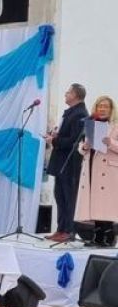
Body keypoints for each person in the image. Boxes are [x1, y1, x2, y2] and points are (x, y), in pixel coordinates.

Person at [45, 84, 88, 241]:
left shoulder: (80, 114)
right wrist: (55, 135)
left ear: (76, 95)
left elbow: (73, 141)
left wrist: (55, 140)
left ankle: (69, 231)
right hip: (61, 163)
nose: (65, 94)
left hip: (70, 164)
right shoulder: (71, 112)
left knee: (69, 198)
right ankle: (61, 228)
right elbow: (67, 135)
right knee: (60, 197)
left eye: (68, 92)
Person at [75, 95, 118, 246]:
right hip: (92, 168)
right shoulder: (92, 125)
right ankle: (97, 235)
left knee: (105, 205)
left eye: (106, 106)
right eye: (100, 106)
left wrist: (110, 142)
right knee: (95, 204)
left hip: (109, 171)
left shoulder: (116, 125)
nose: (102, 109)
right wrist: (84, 147)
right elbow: (83, 147)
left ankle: (108, 236)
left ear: (111, 109)